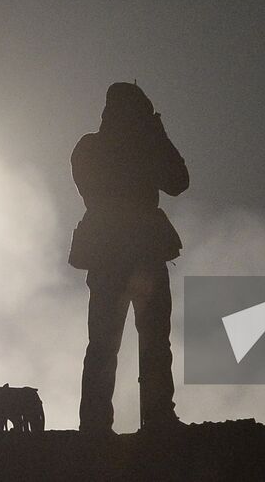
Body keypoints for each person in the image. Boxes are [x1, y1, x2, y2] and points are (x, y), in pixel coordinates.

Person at [69, 83, 188, 433]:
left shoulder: (91, 148)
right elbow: (177, 180)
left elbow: (178, 182)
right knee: (126, 343)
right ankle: (149, 419)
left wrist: (152, 138)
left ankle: (104, 424)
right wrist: (155, 135)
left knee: (121, 344)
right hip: (130, 254)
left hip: (119, 255)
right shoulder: (104, 148)